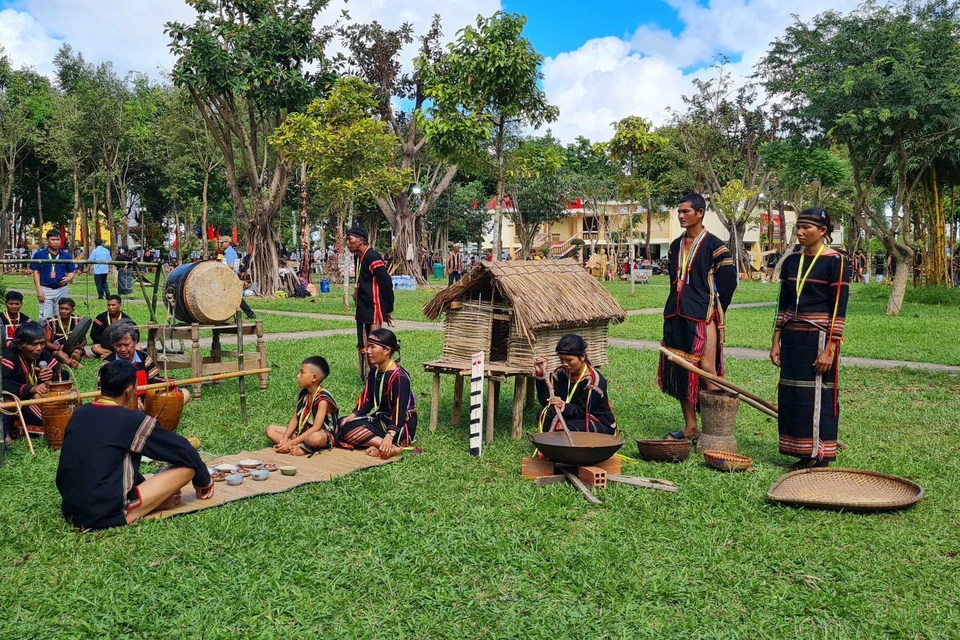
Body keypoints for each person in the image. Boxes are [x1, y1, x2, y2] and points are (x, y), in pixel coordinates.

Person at [56, 360, 213, 530]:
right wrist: (204, 481)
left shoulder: (80, 412)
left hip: (71, 508)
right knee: (189, 467)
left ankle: (144, 502)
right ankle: (135, 509)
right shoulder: (131, 420)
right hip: (105, 514)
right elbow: (183, 449)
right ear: (129, 390)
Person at [770, 208, 851, 470]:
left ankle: (820, 457)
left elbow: (839, 308)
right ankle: (803, 454)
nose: (801, 232)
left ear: (823, 231)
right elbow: (782, 304)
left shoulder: (836, 261)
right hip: (792, 336)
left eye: (807, 228)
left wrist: (831, 349)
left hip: (819, 337)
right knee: (794, 395)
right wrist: (776, 341)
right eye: (799, 227)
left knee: (818, 395)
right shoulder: (792, 261)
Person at [659, 194, 737, 441]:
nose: (681, 216)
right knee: (682, 368)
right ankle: (690, 426)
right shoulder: (674, 246)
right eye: (679, 212)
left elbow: (728, 283)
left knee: (706, 368)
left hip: (702, 316)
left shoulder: (716, 246)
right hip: (675, 313)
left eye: (686, 212)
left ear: (700, 213)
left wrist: (713, 309)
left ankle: (713, 430)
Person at [339, 328, 416, 458]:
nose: (368, 351)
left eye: (372, 347)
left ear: (387, 350)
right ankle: (383, 446)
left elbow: (400, 410)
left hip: (401, 425)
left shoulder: (399, 377)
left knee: (348, 430)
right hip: (381, 419)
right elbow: (367, 400)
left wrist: (390, 435)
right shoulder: (374, 372)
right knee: (342, 423)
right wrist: (353, 415)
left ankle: (390, 446)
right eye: (368, 347)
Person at [532, 334, 617, 434]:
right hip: (571, 415)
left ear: (582, 357)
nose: (564, 364)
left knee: (561, 428)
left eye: (569, 360)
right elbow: (546, 403)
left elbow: (583, 412)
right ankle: (550, 446)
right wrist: (541, 375)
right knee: (545, 414)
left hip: (596, 420)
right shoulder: (560, 373)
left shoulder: (594, 382)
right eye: (561, 359)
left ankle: (554, 447)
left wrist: (563, 406)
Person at [101, 324, 191, 409]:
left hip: (147, 402)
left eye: (127, 345)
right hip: (122, 404)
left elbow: (156, 385)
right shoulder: (107, 364)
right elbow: (104, 394)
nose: (123, 349)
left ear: (135, 342)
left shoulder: (144, 358)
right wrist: (132, 401)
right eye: (118, 345)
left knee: (185, 393)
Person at [2, 321, 65, 442]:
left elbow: (64, 373)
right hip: (18, 399)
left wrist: (53, 374)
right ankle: (7, 430)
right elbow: (2, 382)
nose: (39, 348)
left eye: (42, 343)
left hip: (36, 399)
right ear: (20, 344)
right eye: (34, 344)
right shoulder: (9, 356)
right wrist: (29, 388)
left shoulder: (43, 355)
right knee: (8, 401)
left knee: (58, 415)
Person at [265, 356, 339, 455]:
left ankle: (302, 449)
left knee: (315, 439)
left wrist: (291, 442)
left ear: (314, 377)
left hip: (320, 435)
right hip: (302, 432)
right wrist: (285, 438)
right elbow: (295, 418)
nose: (298, 376)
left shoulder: (323, 399)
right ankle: (289, 446)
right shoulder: (303, 393)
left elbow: (316, 427)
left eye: (302, 373)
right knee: (270, 430)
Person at [346, 227, 394, 379]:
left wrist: (389, 306)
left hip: (373, 307)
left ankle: (378, 376)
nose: (347, 243)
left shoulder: (372, 256)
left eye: (350, 239)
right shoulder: (359, 256)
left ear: (361, 240)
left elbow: (386, 282)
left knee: (374, 342)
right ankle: (368, 377)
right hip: (363, 306)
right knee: (363, 343)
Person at [31, 229, 77, 320]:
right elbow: (36, 272)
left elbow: (71, 271)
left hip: (61, 289)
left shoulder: (66, 256)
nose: (56, 242)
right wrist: (39, 290)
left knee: (61, 315)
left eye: (58, 240)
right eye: (53, 240)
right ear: (48, 240)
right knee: (45, 317)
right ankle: (44, 334)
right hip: (45, 288)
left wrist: (68, 278)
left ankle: (60, 333)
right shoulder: (40, 255)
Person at [219, 236, 256, 319]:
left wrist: (220, 266)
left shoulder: (229, 252)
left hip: (230, 277)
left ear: (228, 242)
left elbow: (231, 266)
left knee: (236, 297)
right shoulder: (228, 252)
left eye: (223, 242)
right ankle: (249, 314)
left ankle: (250, 314)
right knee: (233, 296)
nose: (221, 244)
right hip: (229, 277)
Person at [45, 298, 86, 368]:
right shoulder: (51, 322)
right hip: (57, 350)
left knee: (77, 352)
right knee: (60, 354)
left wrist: (79, 346)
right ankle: (72, 363)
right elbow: (46, 342)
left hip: (74, 348)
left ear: (72, 310)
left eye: (67, 309)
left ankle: (73, 359)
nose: (63, 311)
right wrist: (57, 348)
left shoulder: (78, 320)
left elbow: (84, 340)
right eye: (61, 308)